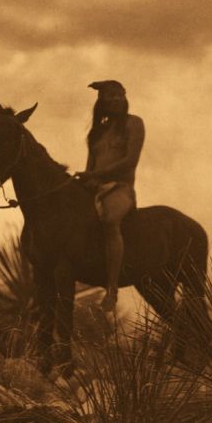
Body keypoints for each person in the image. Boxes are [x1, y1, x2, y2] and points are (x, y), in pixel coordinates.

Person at [73, 80, 145, 312]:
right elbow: (90, 165)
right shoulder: (97, 133)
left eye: (119, 96)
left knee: (111, 221)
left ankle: (112, 287)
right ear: (101, 103)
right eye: (110, 97)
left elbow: (130, 161)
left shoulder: (134, 124)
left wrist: (97, 174)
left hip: (120, 189)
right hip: (96, 188)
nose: (115, 100)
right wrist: (87, 180)